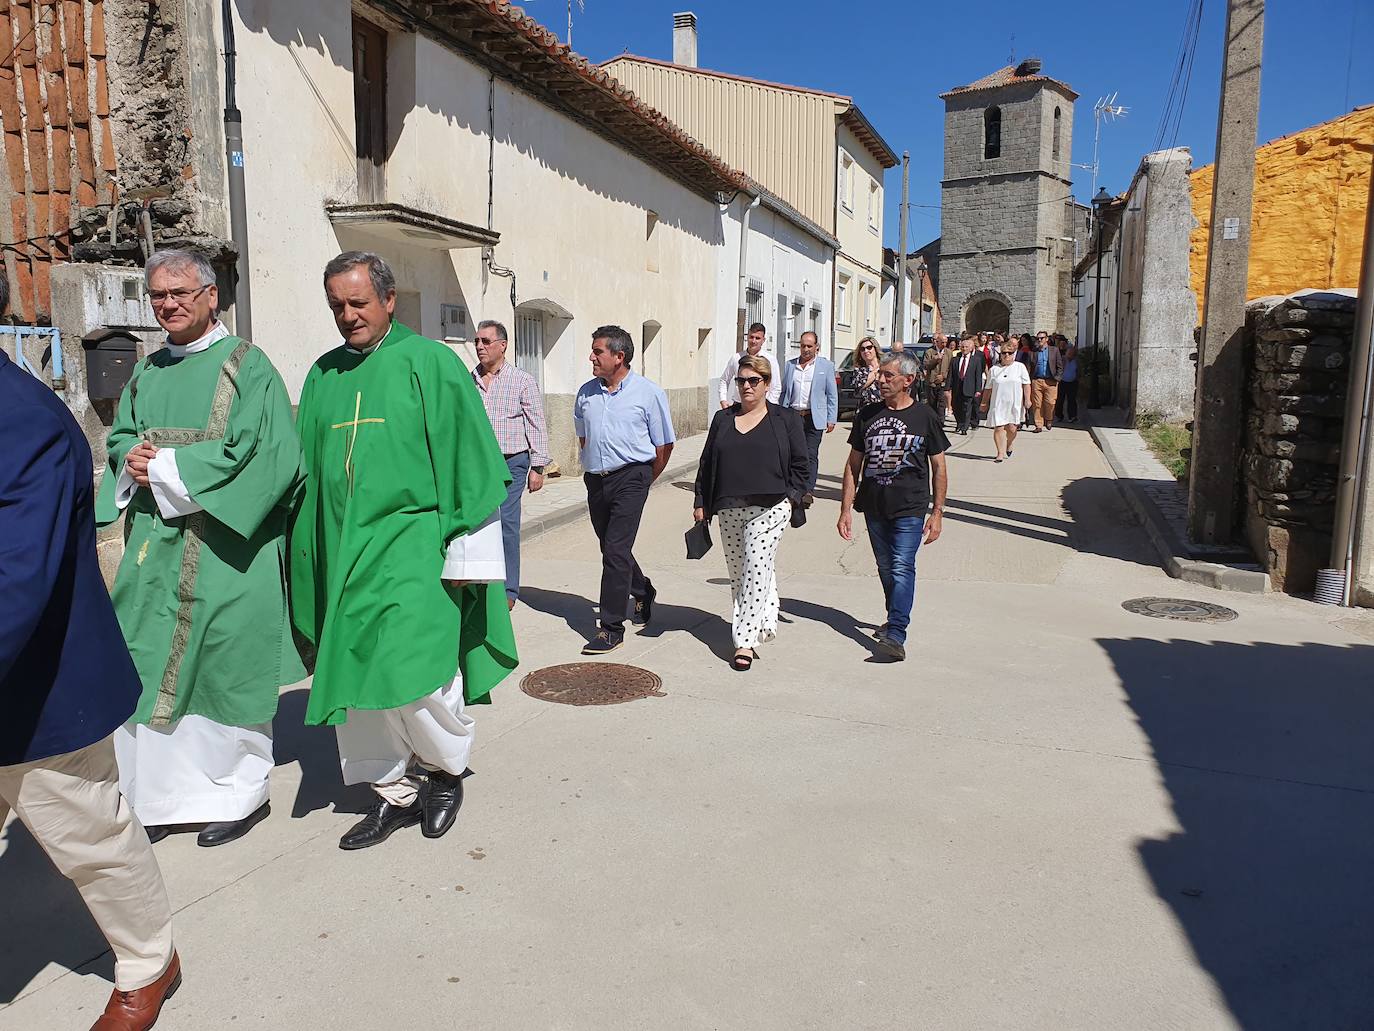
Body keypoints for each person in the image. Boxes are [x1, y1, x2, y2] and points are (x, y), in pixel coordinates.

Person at [1, 267, 181, 1030]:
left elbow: (19, 576)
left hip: (38, 688)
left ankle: (150, 960)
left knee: (91, 838)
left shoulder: (24, 422)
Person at [292, 251, 518, 850]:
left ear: (389, 300)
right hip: (346, 554)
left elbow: (470, 464)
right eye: (337, 305)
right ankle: (393, 791)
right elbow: (309, 475)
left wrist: (469, 559)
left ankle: (444, 775)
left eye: (358, 303)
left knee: (421, 670)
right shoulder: (324, 375)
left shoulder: (430, 363)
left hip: (416, 546)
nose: (347, 316)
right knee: (359, 675)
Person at [95, 248, 304, 848]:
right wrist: (130, 458)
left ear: (212, 296)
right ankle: (159, 798)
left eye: (181, 292)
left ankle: (237, 793)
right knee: (148, 657)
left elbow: (267, 455)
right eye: (159, 295)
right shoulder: (148, 369)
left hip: (227, 548)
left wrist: (167, 467)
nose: (169, 304)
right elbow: (122, 437)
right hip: (156, 545)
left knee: (225, 664)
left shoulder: (248, 365)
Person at [692, 354, 809, 671]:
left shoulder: (785, 419)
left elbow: (802, 462)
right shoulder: (723, 419)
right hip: (729, 508)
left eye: (753, 381)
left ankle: (744, 641)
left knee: (756, 565)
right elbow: (706, 463)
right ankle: (766, 616)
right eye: (740, 381)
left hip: (771, 508)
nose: (745, 386)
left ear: (767, 384)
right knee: (741, 573)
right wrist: (700, 501)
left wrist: (794, 496)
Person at [837, 352, 949, 662]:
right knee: (886, 568)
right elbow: (853, 465)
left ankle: (897, 633)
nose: (882, 380)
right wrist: (846, 508)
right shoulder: (867, 415)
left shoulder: (925, 416)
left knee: (902, 566)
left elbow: (939, 467)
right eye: (881, 375)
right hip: (874, 505)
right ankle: (893, 616)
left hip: (911, 508)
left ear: (908, 380)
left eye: (888, 376)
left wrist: (937, 512)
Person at [575, 325, 676, 655]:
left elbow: (664, 444)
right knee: (610, 547)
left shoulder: (648, 394)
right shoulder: (586, 393)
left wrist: (645, 479)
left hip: (632, 477)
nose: (591, 356)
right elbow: (583, 438)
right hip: (596, 479)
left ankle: (610, 627)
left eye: (598, 351)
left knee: (616, 550)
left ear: (619, 357)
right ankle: (642, 590)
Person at [472, 318, 550, 609]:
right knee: (479, 522)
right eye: (477, 341)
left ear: (502, 346)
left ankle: (508, 590)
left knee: (506, 523)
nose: (479, 346)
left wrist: (538, 467)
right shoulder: (471, 380)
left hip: (512, 463)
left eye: (485, 341)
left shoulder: (522, 381)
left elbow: (536, 424)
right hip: (479, 465)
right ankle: (481, 582)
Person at [781, 330, 838, 507]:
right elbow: (784, 391)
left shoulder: (825, 366)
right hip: (793, 416)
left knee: (810, 454)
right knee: (792, 453)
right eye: (803, 345)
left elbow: (832, 394)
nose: (805, 349)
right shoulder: (791, 365)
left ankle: (807, 490)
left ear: (816, 347)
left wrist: (831, 417)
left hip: (814, 416)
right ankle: (793, 487)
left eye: (809, 346)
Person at [983, 342, 1032, 462]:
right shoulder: (994, 370)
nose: (1006, 355)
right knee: (998, 428)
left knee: (1012, 428)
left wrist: (1028, 399)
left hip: (1014, 404)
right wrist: (984, 403)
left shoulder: (1020, 367)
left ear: (1013, 354)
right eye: (1004, 353)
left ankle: (1009, 443)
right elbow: (988, 388)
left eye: (1009, 353)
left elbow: (1026, 384)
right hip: (998, 403)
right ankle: (1000, 452)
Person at [718, 323, 782, 407]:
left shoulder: (770, 360)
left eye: (757, 338)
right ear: (747, 337)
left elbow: (776, 387)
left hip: (761, 407)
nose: (753, 341)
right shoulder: (736, 358)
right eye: (751, 337)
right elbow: (724, 380)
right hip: (739, 405)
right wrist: (723, 400)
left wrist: (769, 407)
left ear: (763, 340)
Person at [949, 332, 985, 435]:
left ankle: (964, 427)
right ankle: (959, 424)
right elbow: (951, 374)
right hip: (957, 387)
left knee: (967, 408)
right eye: (962, 347)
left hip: (969, 388)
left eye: (966, 347)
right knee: (956, 407)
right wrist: (948, 387)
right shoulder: (955, 359)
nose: (964, 349)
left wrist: (978, 390)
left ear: (971, 348)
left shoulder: (976, 360)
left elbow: (978, 376)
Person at [1029, 329, 1065, 432]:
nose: (1039, 340)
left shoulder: (1054, 350)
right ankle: (1038, 425)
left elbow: (1060, 366)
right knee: (1037, 403)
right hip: (1037, 380)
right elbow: (1030, 366)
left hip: (1051, 381)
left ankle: (1049, 419)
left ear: (1047, 339)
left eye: (1042, 338)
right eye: (1038, 338)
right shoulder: (1033, 351)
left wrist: (1058, 378)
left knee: (1050, 403)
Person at [922, 333, 953, 424]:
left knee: (942, 403)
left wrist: (944, 376)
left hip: (943, 383)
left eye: (945, 342)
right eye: (942, 342)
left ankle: (940, 422)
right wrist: (934, 359)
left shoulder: (949, 352)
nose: (944, 344)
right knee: (932, 403)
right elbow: (926, 365)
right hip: (931, 382)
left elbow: (950, 368)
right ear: (937, 342)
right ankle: (932, 421)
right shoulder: (929, 352)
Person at [848, 336, 883, 409]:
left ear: (875, 349)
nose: (866, 351)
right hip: (865, 409)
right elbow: (860, 387)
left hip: (883, 408)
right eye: (862, 349)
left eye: (869, 347)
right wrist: (875, 372)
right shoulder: (859, 370)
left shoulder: (885, 366)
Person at [1057, 343, 1080, 423]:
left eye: (1072, 353)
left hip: (1072, 382)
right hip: (1062, 382)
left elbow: (1078, 371)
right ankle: (1059, 415)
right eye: (1069, 353)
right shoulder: (1062, 359)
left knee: (1072, 400)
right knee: (1060, 400)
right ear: (1066, 353)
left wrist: (1077, 379)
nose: (1070, 354)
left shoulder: (1076, 361)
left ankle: (1072, 416)